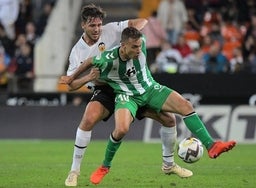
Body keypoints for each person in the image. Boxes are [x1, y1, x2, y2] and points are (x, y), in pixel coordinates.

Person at [61, 27, 236, 185]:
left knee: (185, 106)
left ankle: (211, 145)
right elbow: (89, 61)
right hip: (127, 96)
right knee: (121, 129)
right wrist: (72, 77)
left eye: (139, 46)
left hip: (150, 89)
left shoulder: (141, 41)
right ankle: (105, 166)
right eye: (134, 47)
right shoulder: (108, 58)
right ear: (123, 46)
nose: (139, 50)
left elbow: (141, 27)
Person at [63, 4, 192, 187]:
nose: (97, 29)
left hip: (130, 85)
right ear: (83, 25)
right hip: (105, 89)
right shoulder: (77, 52)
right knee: (88, 118)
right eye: (92, 26)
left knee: (169, 119)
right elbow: (70, 86)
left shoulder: (113, 29)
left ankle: (169, 164)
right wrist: (88, 78)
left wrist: (132, 36)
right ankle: (74, 171)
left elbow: (142, 21)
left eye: (99, 25)